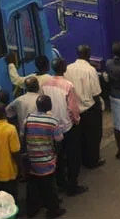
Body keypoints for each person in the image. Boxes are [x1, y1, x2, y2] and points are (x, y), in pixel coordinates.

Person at [42, 58, 86, 195]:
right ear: (64, 68)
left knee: (59, 157)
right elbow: (73, 109)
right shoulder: (68, 85)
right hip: (68, 126)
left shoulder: (45, 84)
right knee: (73, 157)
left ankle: (61, 183)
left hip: (53, 127)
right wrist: (77, 121)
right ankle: (73, 185)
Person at [23, 95, 66, 219]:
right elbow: (58, 140)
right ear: (49, 106)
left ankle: (33, 209)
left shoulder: (28, 118)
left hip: (31, 159)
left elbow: (23, 135)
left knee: (33, 185)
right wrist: (55, 155)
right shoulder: (52, 121)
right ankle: (53, 210)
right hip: (46, 160)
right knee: (49, 187)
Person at [65, 45, 104, 169]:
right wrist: (99, 107)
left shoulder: (68, 68)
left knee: (80, 137)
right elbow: (96, 92)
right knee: (93, 136)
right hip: (89, 108)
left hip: (74, 109)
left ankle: (82, 159)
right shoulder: (90, 70)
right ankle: (92, 161)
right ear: (88, 54)